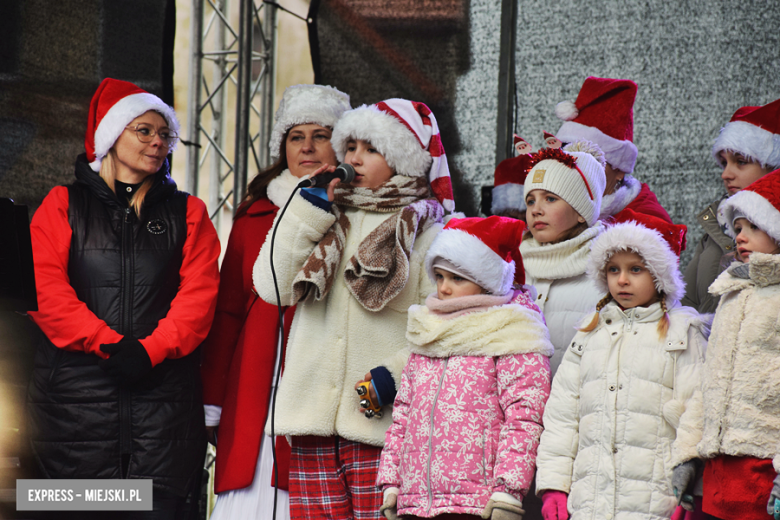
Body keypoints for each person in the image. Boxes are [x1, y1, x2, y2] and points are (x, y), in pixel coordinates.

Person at [26, 78, 220, 518]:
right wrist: (108, 344)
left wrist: (149, 351)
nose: (158, 142)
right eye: (144, 130)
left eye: (165, 134)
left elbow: (199, 299)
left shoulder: (190, 213)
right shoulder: (61, 204)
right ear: (112, 136)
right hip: (73, 422)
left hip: (165, 425)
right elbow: (46, 293)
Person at [253, 98, 455, 519]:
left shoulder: (432, 233)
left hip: (381, 425)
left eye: (371, 149)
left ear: (405, 160)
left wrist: (389, 379)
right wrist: (306, 208)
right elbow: (271, 285)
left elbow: (444, 327)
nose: (354, 158)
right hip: (312, 423)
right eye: (351, 146)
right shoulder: (323, 214)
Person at [200, 84, 350, 519]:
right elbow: (227, 312)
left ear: (339, 144)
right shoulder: (254, 213)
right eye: (294, 136)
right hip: (253, 384)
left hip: (319, 386)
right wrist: (213, 400)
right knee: (244, 494)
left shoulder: (356, 213)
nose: (306, 147)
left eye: (320, 135)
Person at [376, 216, 554, 520]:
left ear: (486, 280)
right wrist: (392, 484)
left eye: (457, 278)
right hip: (417, 502)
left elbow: (524, 418)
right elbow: (403, 416)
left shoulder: (514, 331)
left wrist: (507, 492)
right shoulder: (429, 330)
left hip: (478, 504)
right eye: (440, 276)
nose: (444, 288)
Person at [536, 219, 707, 520]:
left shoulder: (682, 332)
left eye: (635, 269)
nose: (622, 280)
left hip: (655, 501)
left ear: (659, 275)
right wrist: (554, 485)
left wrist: (691, 488)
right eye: (613, 269)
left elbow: (698, 411)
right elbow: (563, 416)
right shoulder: (589, 333)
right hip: (590, 501)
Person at [697, 170, 780, 520]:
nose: (740, 236)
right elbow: (708, 381)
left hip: (764, 474)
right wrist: (689, 456)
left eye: (753, 227)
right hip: (718, 477)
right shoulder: (730, 292)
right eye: (739, 227)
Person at [681, 97, 780, 314]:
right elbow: (686, 301)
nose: (726, 174)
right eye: (724, 163)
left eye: (741, 161)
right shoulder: (715, 225)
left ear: (773, 166)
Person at [520, 140, 607, 375]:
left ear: (581, 211)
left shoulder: (607, 272)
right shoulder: (512, 269)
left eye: (550, 198)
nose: (536, 209)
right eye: (530, 200)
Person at [553, 76, 672, 223]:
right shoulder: (552, 209)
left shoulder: (646, 225)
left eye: (591, 160)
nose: (577, 169)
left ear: (620, 171)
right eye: (567, 158)